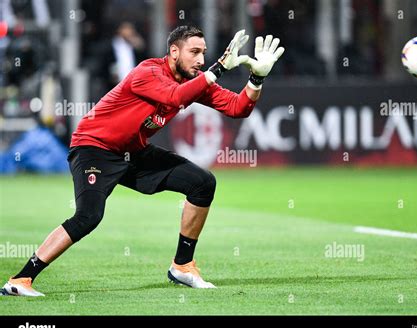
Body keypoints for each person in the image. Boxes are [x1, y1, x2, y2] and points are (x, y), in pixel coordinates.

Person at [2, 25, 284, 295]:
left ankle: (182, 266)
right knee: (88, 216)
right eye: (194, 52)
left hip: (132, 151)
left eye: (204, 53)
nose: (201, 59)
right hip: (94, 147)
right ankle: (21, 279)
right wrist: (218, 68)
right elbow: (174, 97)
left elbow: (238, 108)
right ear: (174, 52)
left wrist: (256, 79)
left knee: (202, 183)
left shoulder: (194, 82)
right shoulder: (148, 71)